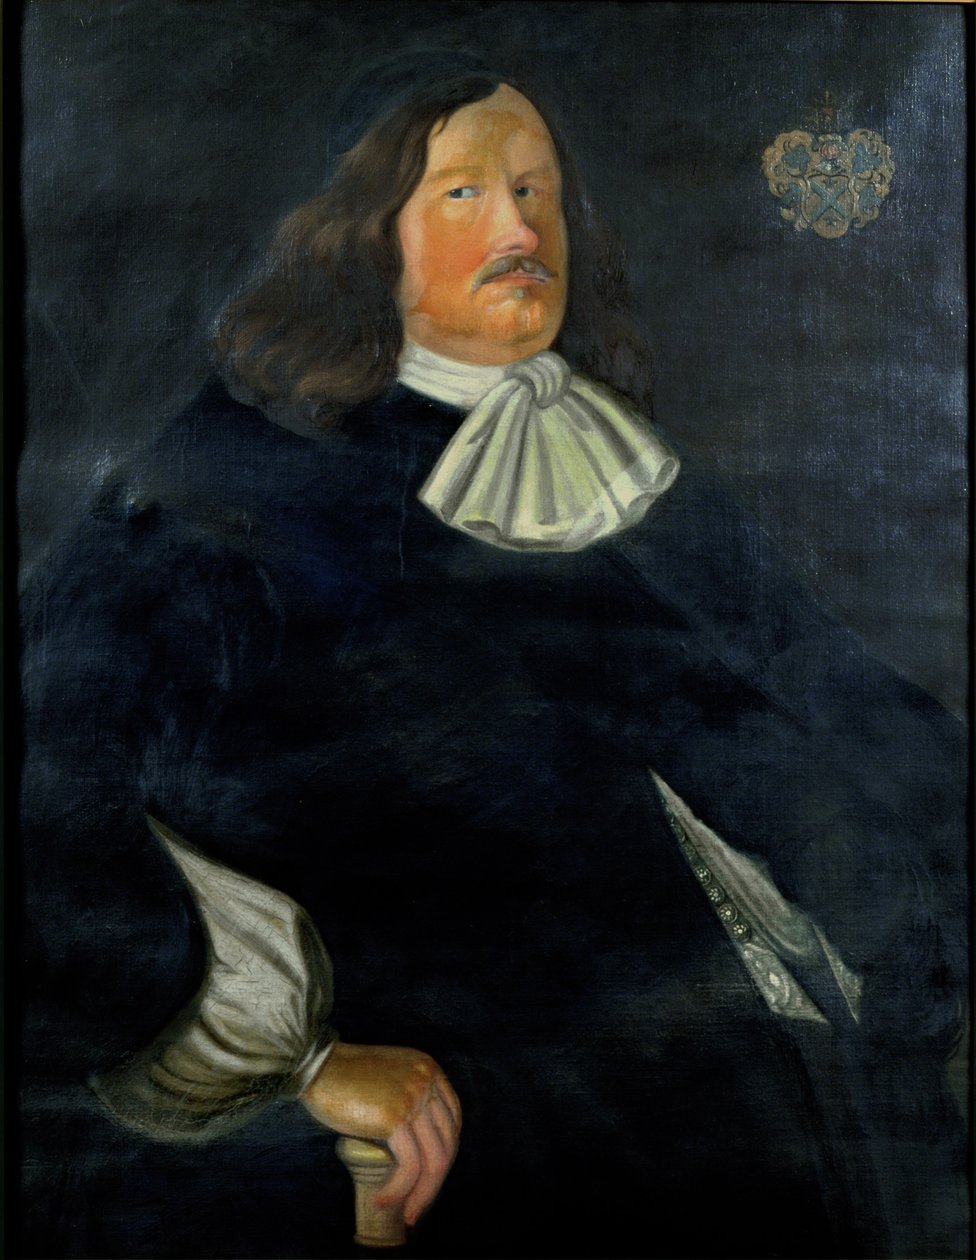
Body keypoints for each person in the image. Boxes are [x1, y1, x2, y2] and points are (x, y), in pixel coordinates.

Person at [20, 54, 967, 1259]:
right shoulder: (221, 492)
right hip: (477, 1150)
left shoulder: (636, 472)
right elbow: (48, 796)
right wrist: (301, 1063)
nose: (519, 228)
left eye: (536, 191)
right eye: (463, 192)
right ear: (360, 232)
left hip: (768, 1121)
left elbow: (845, 701)